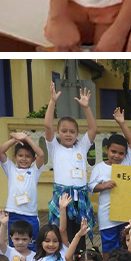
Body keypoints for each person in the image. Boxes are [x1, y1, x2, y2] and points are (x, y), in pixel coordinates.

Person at [43, 81, 97, 241]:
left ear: (77, 134)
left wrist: (86, 108)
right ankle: (63, 259)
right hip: (62, 195)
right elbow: (47, 126)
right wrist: (52, 102)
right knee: (61, 232)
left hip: (80, 195)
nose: (68, 134)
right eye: (64, 131)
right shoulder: (54, 147)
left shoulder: (81, 147)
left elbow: (93, 129)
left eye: (72, 132)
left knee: (80, 233)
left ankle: (80, 259)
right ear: (58, 132)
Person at [88, 109, 131, 252]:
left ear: (126, 154)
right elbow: (91, 187)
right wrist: (103, 186)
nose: (117, 156)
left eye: (121, 153)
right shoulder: (99, 167)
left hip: (125, 213)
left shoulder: (127, 163)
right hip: (107, 215)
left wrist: (122, 123)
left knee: (126, 244)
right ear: (106, 150)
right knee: (109, 246)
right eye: (113, 152)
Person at [0, 129, 44, 243]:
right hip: (13, 214)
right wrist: (15, 139)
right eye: (20, 155)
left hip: (30, 215)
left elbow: (41, 154)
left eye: (28, 156)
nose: (23, 159)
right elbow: (0, 151)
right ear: (14, 157)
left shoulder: (34, 171)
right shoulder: (11, 169)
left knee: (32, 244)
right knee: (15, 244)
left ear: (33, 159)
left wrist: (26, 138)